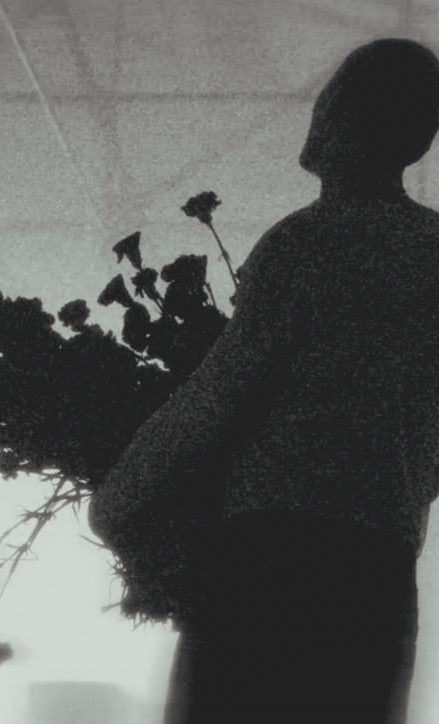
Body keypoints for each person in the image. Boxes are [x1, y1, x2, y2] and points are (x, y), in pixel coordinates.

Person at [89, 38, 439, 723]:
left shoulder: (307, 242)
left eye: (335, 94)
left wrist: (117, 504)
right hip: (381, 574)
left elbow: (217, 396)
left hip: (267, 568)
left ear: (344, 115)